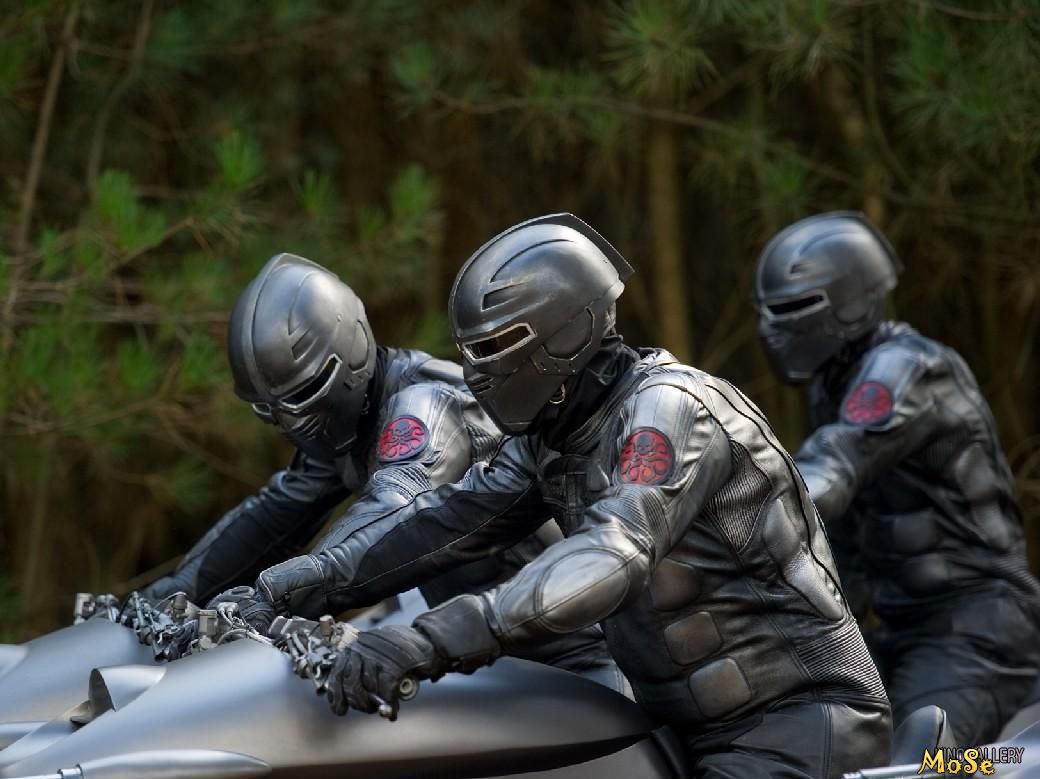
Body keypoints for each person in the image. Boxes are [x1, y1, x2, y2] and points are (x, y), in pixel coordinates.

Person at [248, 214, 891, 778]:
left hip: (792, 724)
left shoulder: (671, 409)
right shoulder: (556, 436)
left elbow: (613, 551)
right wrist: (290, 586)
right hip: (674, 730)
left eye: (493, 347)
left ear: (564, 334)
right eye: (470, 351)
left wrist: (429, 639)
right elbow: (446, 521)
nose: (475, 369)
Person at [140, 252, 623, 689]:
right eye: (271, 410)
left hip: (576, 659)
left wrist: (278, 596)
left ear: (350, 350)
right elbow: (273, 514)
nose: (291, 422)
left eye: (302, 395)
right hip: (483, 663)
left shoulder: (425, 405)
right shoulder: (349, 429)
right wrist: (164, 598)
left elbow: (395, 505)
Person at [752, 211, 1040, 745]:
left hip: (978, 626)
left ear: (853, 299)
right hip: (899, 631)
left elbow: (834, 464)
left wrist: (737, 507)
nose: (775, 325)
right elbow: (844, 545)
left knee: (919, 765)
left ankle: (993, 770)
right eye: (770, 311)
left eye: (794, 308)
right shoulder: (832, 388)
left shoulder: (908, 369)